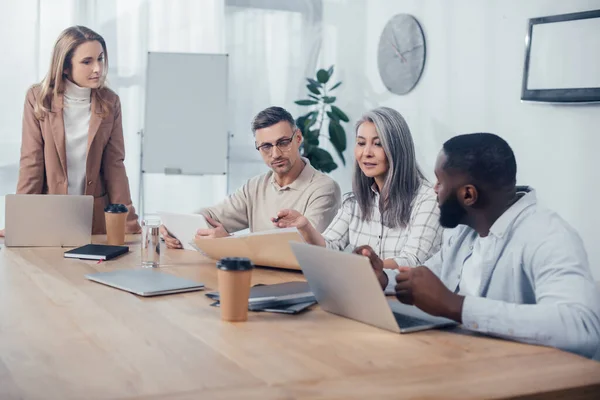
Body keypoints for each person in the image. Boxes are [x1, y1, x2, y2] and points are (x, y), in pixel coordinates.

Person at [363, 132, 600, 359]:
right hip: (465, 360)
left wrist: (456, 306)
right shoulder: (467, 232)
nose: (434, 189)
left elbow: (581, 326)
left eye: (439, 182)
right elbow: (425, 279)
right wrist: (383, 278)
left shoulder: (547, 235)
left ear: (468, 195)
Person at [1, 26, 140, 237]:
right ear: (65, 66)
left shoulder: (110, 102)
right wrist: (20, 222)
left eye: (100, 59)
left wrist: (130, 225)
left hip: (96, 218)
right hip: (50, 215)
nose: (97, 68)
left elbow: (115, 166)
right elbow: (32, 163)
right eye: (87, 62)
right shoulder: (38, 99)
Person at [274, 107, 442, 278]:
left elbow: (413, 260)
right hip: (362, 291)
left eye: (378, 144)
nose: (366, 153)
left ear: (397, 149)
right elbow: (329, 246)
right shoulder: (354, 202)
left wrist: (363, 267)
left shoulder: (428, 199)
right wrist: (305, 227)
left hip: (406, 298)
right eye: (361, 143)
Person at [161, 106, 341, 248]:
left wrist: (229, 243)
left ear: (298, 138)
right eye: (266, 146)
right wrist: (174, 229)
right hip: (257, 280)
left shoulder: (324, 188)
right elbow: (211, 216)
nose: (276, 153)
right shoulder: (254, 186)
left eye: (283, 142)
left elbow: (305, 248)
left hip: (300, 285)